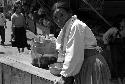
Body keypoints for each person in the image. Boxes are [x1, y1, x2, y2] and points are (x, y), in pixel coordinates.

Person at [52, 1, 111, 84]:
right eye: (55, 18)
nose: (59, 20)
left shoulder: (76, 26)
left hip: (91, 65)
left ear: (70, 13)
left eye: (62, 15)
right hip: (84, 66)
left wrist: (64, 77)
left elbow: (73, 53)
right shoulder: (66, 29)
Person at [103, 17, 125, 83]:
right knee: (116, 63)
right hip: (115, 48)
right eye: (123, 21)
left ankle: (123, 78)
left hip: (123, 48)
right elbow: (105, 36)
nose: (124, 22)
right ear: (119, 22)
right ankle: (119, 79)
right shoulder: (113, 30)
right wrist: (106, 44)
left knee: (123, 63)